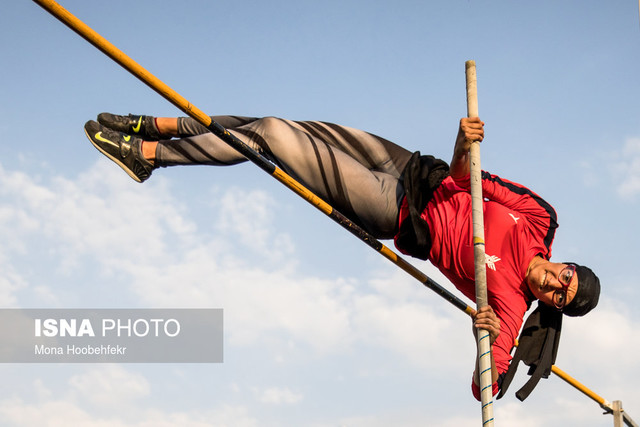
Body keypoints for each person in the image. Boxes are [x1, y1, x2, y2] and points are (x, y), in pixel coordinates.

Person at [83, 113, 600, 400]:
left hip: (394, 208)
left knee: (273, 139)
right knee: (276, 123)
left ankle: (147, 156)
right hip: (415, 168)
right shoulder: (540, 219)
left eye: (560, 296)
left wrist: (480, 335)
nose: (555, 283)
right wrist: (462, 145)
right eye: (567, 276)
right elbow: (469, 178)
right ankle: (158, 127)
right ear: (569, 262)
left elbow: (483, 390)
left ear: (554, 306)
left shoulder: (508, 307)